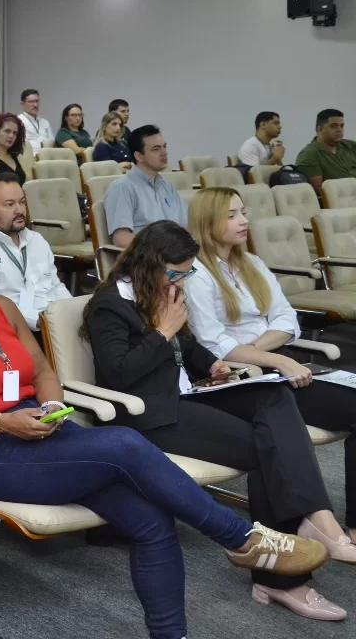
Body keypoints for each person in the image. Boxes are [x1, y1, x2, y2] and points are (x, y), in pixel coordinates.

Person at [0, 216, 327, 639]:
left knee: (151, 520)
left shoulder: (1, 308)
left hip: (44, 430)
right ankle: (239, 538)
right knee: (124, 441)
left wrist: (51, 405)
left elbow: (43, 371)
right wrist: (2, 421)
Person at [83, 220, 347, 621]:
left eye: (186, 272)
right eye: (176, 272)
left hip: (187, 395)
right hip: (149, 413)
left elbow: (185, 346)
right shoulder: (109, 304)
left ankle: (315, 519)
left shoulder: (163, 290)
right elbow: (119, 373)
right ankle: (281, 579)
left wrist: (213, 365)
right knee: (267, 447)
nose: (181, 281)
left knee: (273, 395)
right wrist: (162, 331)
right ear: (148, 263)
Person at [186, 189, 356, 561]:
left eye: (243, 212)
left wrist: (264, 353)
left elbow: (288, 321)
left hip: (274, 362)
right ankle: (311, 528)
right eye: (232, 215)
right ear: (208, 222)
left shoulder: (252, 264)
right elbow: (213, 344)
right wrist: (270, 358)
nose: (244, 221)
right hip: (237, 376)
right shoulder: (197, 274)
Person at [0, 174, 70, 331]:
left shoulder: (37, 240)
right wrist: (42, 321)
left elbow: (56, 287)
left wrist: (73, 311)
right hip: (15, 331)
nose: (19, 210)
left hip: (55, 324)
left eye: (21, 202)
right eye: (9, 205)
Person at [103, 125, 185, 248]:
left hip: (176, 252)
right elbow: (121, 238)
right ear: (139, 156)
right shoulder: (122, 187)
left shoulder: (167, 185)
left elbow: (185, 225)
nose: (164, 152)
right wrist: (160, 248)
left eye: (164, 146)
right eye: (156, 149)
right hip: (148, 256)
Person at [297, 108, 356, 191]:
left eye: (342, 126)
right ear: (320, 129)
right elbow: (320, 192)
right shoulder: (309, 154)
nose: (339, 130)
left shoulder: (351, 145)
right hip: (339, 197)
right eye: (334, 126)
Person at [18, 89, 53, 154]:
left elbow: (52, 143)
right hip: (28, 157)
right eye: (31, 102)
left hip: (46, 157)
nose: (35, 105)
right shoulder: (18, 121)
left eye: (37, 101)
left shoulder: (45, 122)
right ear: (22, 104)